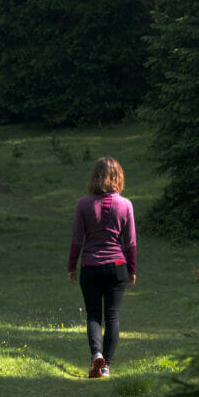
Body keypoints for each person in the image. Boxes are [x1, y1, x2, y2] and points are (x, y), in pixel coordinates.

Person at [67, 156, 136, 378]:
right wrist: (132, 269)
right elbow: (131, 242)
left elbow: (77, 240)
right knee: (113, 316)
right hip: (117, 266)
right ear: (119, 177)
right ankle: (106, 367)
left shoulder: (83, 204)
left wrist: (71, 266)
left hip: (91, 266)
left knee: (94, 315)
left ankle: (96, 354)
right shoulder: (125, 205)